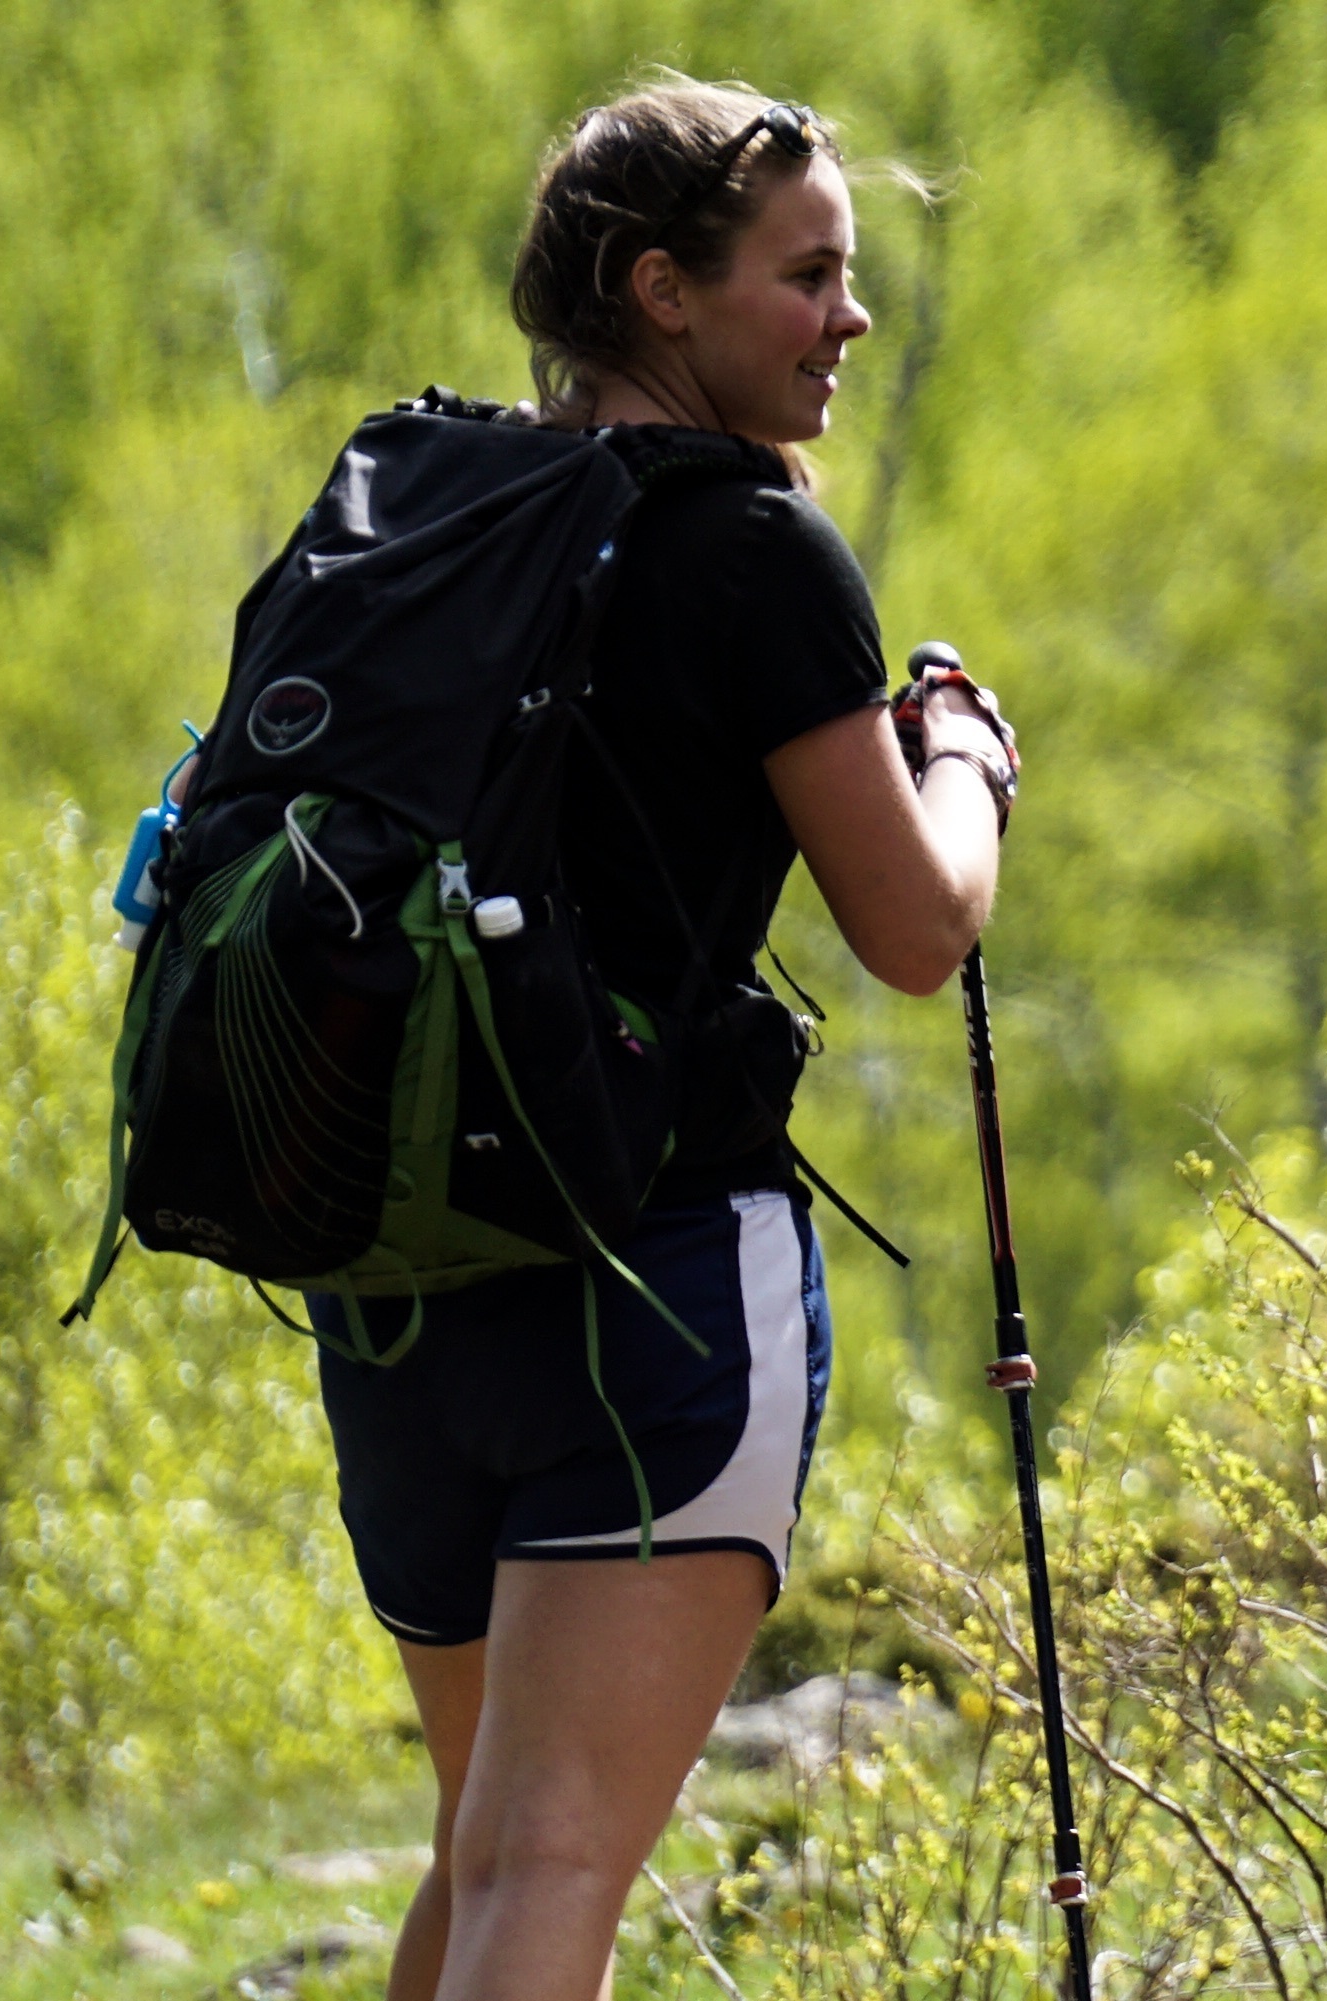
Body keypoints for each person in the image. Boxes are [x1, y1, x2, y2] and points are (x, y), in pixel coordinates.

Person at [315, 75, 1013, 2001]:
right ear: (661, 292)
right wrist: (967, 764)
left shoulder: (434, 515)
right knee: (549, 1866)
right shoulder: (752, 556)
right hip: (655, 1286)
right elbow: (912, 924)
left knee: (486, 1865)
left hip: (400, 1294)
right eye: (810, 277)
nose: (849, 321)